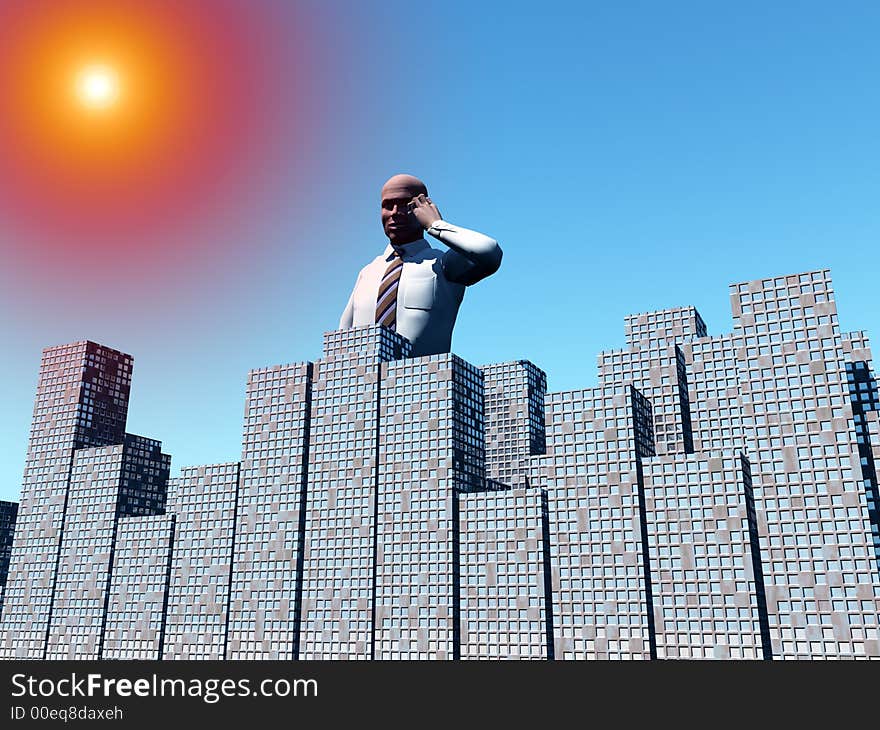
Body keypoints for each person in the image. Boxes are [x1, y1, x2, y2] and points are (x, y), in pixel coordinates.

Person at [339, 174, 502, 356]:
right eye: (387, 205)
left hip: (425, 381)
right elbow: (343, 337)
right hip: (362, 382)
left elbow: (490, 253)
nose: (394, 212)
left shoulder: (443, 265)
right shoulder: (367, 273)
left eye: (404, 205)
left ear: (423, 206)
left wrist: (436, 224)